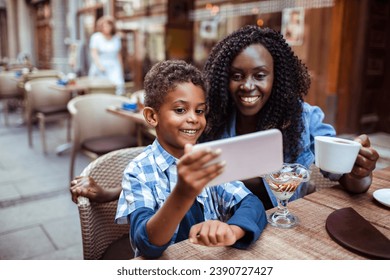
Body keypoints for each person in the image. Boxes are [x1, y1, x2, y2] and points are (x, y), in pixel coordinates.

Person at [199, 25, 379, 209]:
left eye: (260, 75)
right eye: (237, 76)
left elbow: (348, 181)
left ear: (276, 77)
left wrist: (360, 172)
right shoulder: (210, 117)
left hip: (282, 225)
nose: (247, 85)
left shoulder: (304, 118)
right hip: (222, 226)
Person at [114, 60, 267, 259]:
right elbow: (146, 243)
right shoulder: (139, 172)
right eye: (180, 110)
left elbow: (252, 203)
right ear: (152, 116)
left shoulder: (209, 159)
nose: (194, 119)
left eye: (199, 110)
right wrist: (183, 193)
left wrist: (232, 231)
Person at [88, 15, 124, 95]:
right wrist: (99, 65)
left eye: (108, 25)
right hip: (101, 66)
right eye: (104, 26)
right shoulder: (96, 37)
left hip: (114, 66)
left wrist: (121, 68)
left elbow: (118, 54)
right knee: (101, 89)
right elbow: (94, 53)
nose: (106, 28)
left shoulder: (116, 38)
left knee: (118, 87)